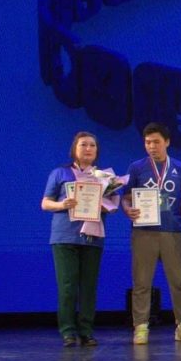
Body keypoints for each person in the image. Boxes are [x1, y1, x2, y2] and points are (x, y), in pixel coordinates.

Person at [123, 122, 181, 345]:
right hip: (143, 232)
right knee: (142, 281)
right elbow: (125, 197)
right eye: (147, 142)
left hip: (172, 231)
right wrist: (128, 210)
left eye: (156, 142)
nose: (151, 146)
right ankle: (140, 327)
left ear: (167, 142)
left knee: (178, 280)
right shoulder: (136, 168)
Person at [40, 132, 115, 346]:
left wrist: (104, 205)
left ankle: (86, 331)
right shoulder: (60, 173)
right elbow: (45, 203)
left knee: (89, 287)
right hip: (65, 236)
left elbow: (113, 204)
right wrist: (62, 204)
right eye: (83, 145)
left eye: (92, 145)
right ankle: (68, 331)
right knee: (67, 286)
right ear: (74, 149)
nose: (88, 149)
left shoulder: (104, 177)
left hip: (93, 236)